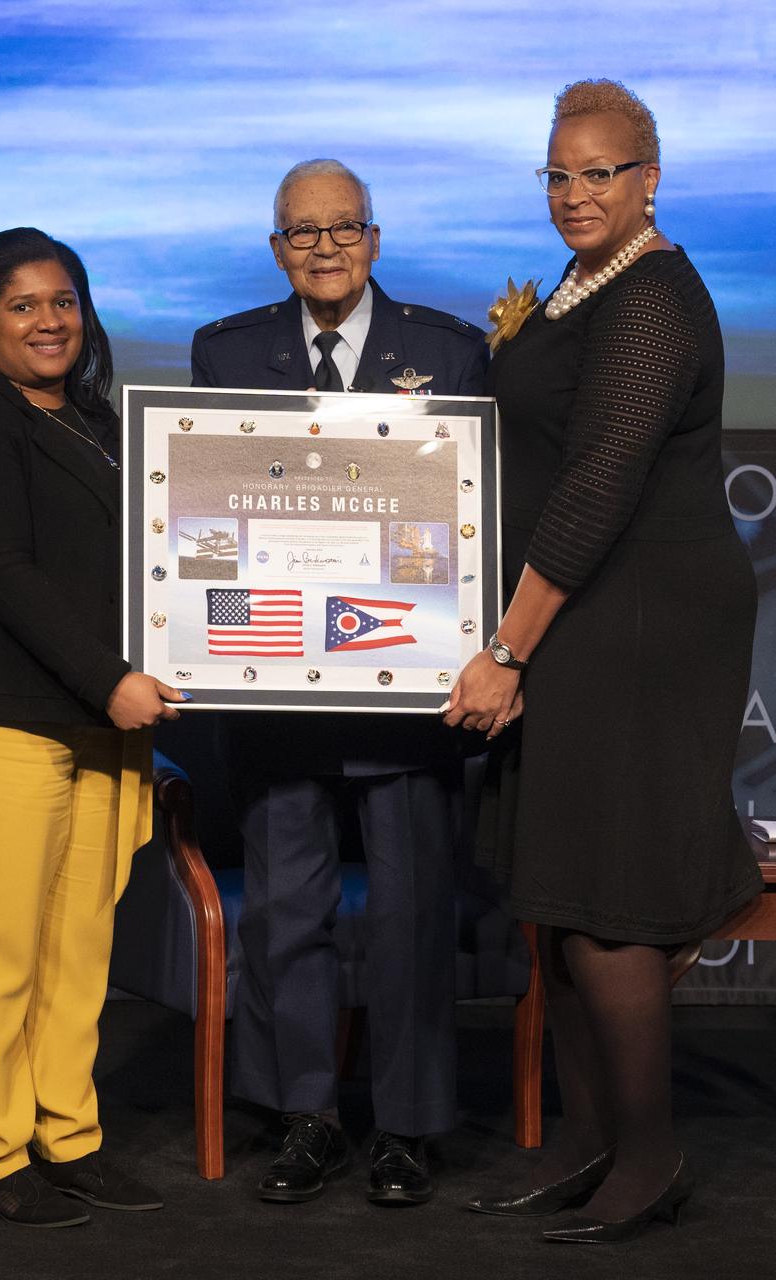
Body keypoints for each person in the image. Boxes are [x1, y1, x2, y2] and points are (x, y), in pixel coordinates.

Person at [446, 81, 764, 1243]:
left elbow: (596, 487)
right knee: (564, 891)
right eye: (559, 174)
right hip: (587, 607)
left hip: (640, 616)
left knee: (610, 895)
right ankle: (589, 1144)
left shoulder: (654, 299)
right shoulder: (587, 282)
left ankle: (650, 1156)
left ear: (650, 179)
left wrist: (505, 648)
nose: (576, 193)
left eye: (601, 173)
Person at [191, 159, 489, 1205]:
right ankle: (305, 1116)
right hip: (277, 688)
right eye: (303, 231)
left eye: (343, 227)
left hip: (407, 692)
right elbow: (206, 516)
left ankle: (405, 1127)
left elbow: (473, 519)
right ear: (277, 248)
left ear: (374, 238)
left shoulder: (450, 351)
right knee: (286, 913)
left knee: (411, 917)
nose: (325, 247)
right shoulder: (227, 353)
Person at [0, 227, 188, 1227]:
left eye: (63, 300)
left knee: (79, 946)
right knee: (0, 950)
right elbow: (5, 576)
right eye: (23, 304)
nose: (48, 320)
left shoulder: (98, 421)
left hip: (101, 721)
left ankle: (67, 1137)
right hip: (4, 714)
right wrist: (111, 679)